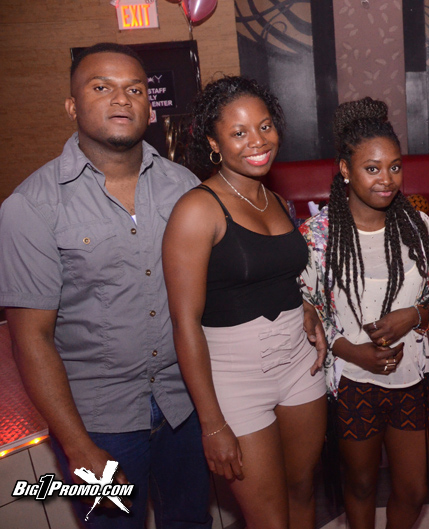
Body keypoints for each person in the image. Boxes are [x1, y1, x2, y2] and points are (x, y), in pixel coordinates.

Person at [0, 43, 211, 527]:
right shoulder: (31, 206)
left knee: (192, 522)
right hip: (99, 422)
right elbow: (30, 339)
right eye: (101, 87)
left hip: (184, 405)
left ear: (149, 107)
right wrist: (76, 445)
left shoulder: (184, 186)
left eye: (134, 89)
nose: (121, 99)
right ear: (72, 106)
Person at [162, 76, 327, 529]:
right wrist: (211, 423)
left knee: (303, 490)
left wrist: (306, 309)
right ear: (214, 143)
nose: (258, 141)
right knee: (268, 518)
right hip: (235, 381)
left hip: (299, 366)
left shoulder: (274, 198)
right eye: (239, 132)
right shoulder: (196, 210)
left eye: (265, 126)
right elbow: (184, 322)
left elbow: (278, 275)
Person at [299, 97, 429, 529]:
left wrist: (414, 315)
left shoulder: (419, 227)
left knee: (414, 488)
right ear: (345, 170)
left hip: (411, 381)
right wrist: (350, 350)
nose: (387, 180)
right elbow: (306, 312)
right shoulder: (318, 235)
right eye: (372, 168)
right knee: (361, 485)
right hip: (352, 383)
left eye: (395, 167)